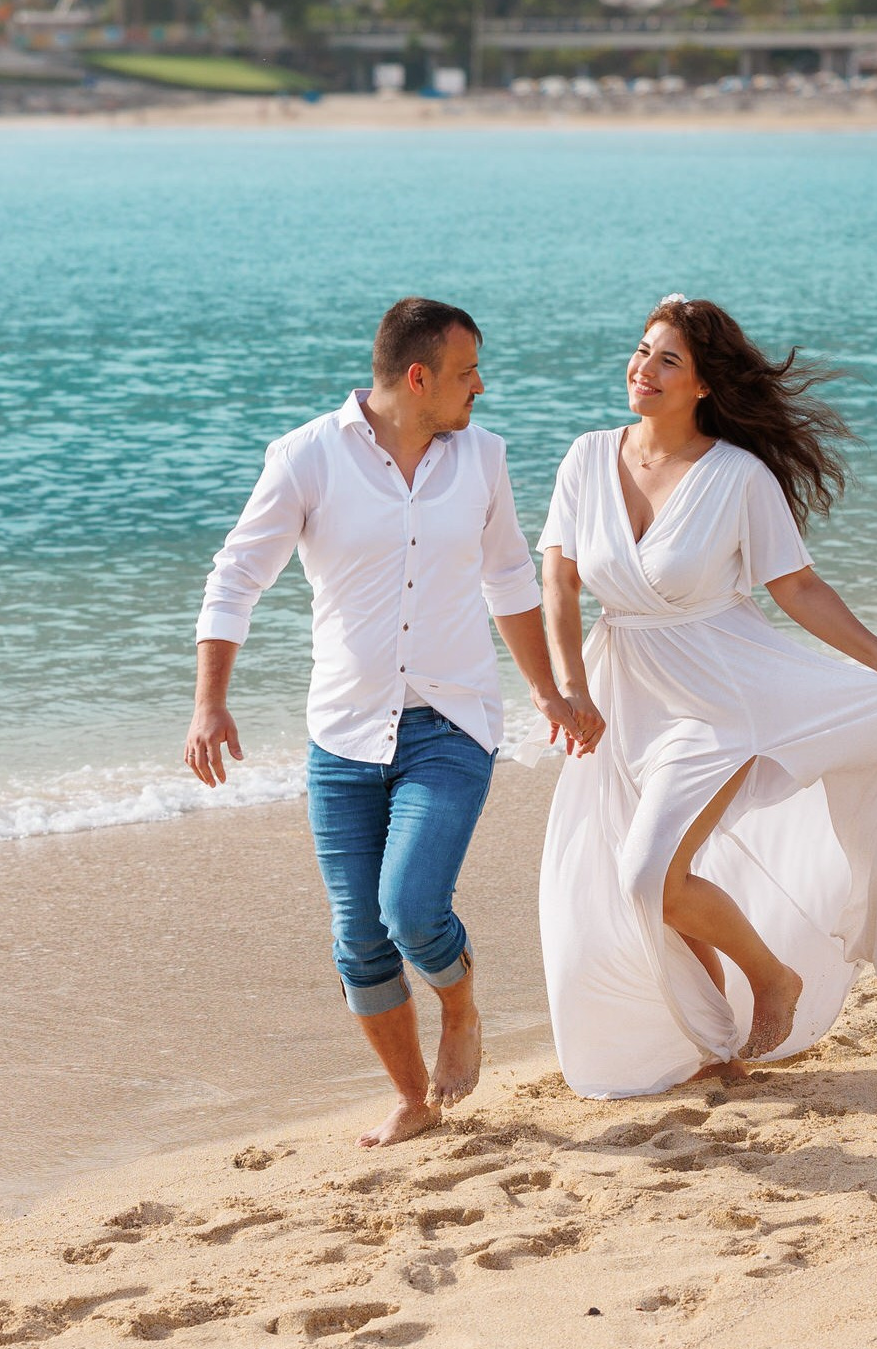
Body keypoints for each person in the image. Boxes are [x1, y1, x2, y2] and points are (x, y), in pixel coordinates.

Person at [187, 297, 586, 1146]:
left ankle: (461, 1001)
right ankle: (412, 1098)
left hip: (452, 721)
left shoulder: (481, 459)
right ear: (418, 377)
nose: (481, 385)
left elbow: (510, 579)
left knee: (410, 909)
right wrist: (210, 701)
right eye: (467, 370)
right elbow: (236, 577)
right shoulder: (306, 459)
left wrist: (549, 694)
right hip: (343, 735)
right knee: (359, 940)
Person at [536, 296, 877, 1099]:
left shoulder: (737, 477)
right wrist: (568, 688)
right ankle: (711, 1037)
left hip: (717, 697)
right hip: (619, 694)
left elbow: (795, 584)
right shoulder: (587, 457)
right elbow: (557, 574)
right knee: (645, 878)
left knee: (649, 872)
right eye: (642, 351)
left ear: (703, 386)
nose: (643, 370)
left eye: (667, 361)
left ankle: (773, 976)